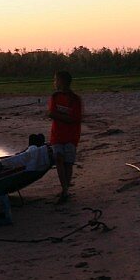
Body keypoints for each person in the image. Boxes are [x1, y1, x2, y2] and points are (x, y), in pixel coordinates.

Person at [47, 70, 83, 202]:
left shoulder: (75, 99)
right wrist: (66, 117)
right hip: (57, 135)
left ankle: (65, 189)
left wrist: (59, 116)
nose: (54, 83)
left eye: (56, 80)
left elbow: (76, 118)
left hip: (71, 136)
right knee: (58, 158)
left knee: (68, 163)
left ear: (61, 82)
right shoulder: (54, 97)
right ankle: (64, 188)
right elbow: (51, 113)